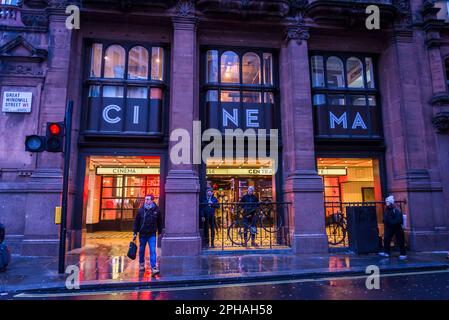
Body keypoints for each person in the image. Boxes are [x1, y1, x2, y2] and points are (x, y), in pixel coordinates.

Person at [133, 194, 162, 276]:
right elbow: (136, 222)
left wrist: (159, 232)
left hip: (152, 234)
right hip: (142, 234)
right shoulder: (141, 210)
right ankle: (141, 264)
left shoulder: (156, 210)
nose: (146, 201)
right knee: (141, 250)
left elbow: (160, 222)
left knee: (153, 251)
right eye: (145, 199)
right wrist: (135, 232)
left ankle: (153, 268)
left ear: (152, 200)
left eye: (148, 199)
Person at [379, 195, 407, 259]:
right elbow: (387, 218)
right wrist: (385, 221)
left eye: (388, 202)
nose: (387, 203)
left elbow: (398, 219)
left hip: (396, 227)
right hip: (390, 227)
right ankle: (386, 252)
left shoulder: (395, 210)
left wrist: (390, 222)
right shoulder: (388, 210)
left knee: (400, 240)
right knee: (386, 240)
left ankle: (403, 253)